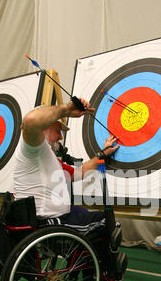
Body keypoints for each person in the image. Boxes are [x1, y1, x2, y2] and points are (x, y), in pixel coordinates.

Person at [13, 98, 119, 234]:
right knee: (108, 222)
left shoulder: (47, 157)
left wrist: (103, 153)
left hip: (48, 218)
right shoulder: (32, 148)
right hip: (46, 223)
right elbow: (32, 120)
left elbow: (79, 173)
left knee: (81, 211)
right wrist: (67, 110)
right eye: (58, 130)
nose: (61, 137)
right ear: (45, 127)